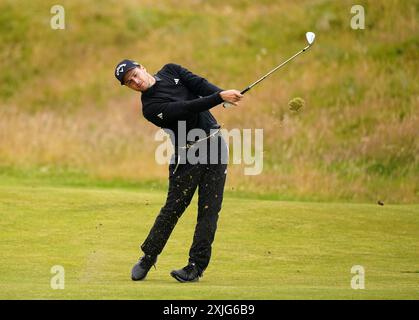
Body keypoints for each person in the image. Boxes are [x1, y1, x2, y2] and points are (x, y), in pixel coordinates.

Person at [114, 59, 243, 282]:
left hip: (215, 147)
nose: (136, 81)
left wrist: (222, 95)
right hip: (187, 154)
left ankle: (196, 267)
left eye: (135, 74)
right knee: (173, 208)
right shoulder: (151, 108)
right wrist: (218, 98)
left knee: (209, 209)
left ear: (142, 68)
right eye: (129, 82)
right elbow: (185, 109)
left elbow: (198, 84)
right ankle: (149, 256)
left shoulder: (171, 70)